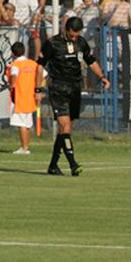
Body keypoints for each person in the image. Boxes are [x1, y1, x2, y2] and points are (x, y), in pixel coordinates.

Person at [37, 17, 109, 176]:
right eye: (72, 35)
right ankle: (73, 164)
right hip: (58, 88)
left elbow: (91, 61)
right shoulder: (52, 43)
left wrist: (102, 77)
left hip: (75, 88)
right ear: (65, 29)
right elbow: (40, 66)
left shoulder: (81, 43)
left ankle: (53, 165)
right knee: (65, 127)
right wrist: (38, 90)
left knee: (66, 129)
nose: (74, 38)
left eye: (77, 35)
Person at [6, 41, 42, 155]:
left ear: (13, 53)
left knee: (21, 124)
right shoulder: (32, 63)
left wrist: (11, 85)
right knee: (27, 124)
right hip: (30, 98)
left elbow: (14, 75)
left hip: (20, 97)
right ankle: (26, 146)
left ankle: (24, 148)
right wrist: (38, 88)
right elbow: (42, 73)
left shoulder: (15, 65)